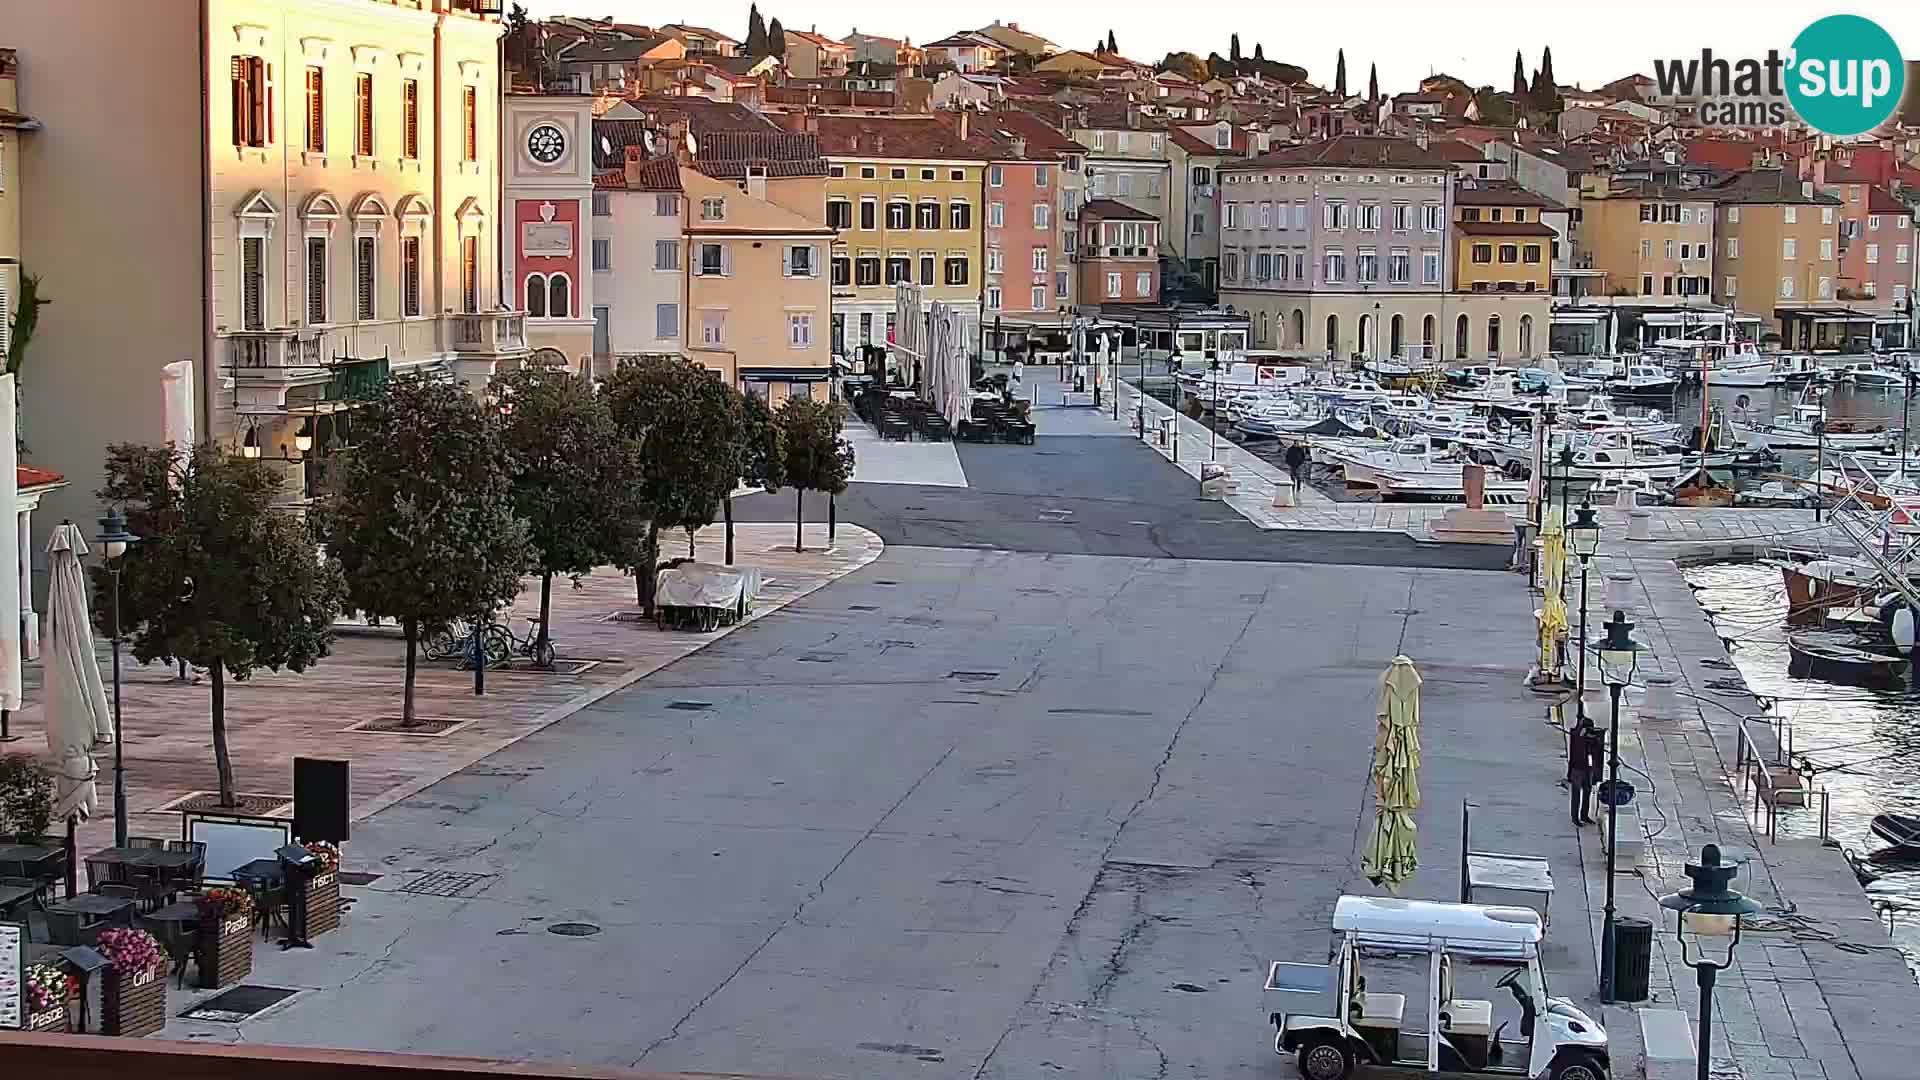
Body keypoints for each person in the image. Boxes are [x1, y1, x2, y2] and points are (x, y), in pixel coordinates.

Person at [1567, 715, 1605, 826]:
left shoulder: (1589, 738)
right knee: (1576, 794)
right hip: (1577, 769)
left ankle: (1584, 815)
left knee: (1587, 791)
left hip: (1587, 769)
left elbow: (1595, 748)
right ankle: (1575, 817)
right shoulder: (1578, 736)